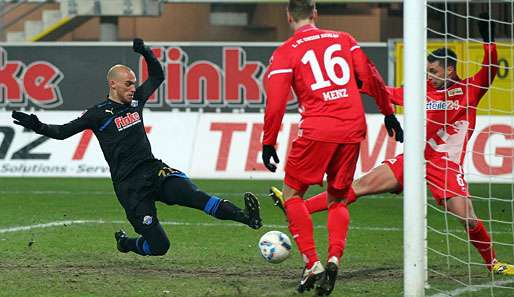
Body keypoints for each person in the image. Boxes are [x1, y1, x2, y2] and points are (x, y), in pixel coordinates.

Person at [269, 13, 514, 275]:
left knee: (467, 217)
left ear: (450, 69)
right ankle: (296, 207)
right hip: (413, 160)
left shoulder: (469, 90)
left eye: (434, 71)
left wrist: (489, 42)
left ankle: (493, 263)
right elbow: (384, 91)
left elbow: (488, 72)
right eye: (427, 71)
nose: (429, 76)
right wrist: (353, 82)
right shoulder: (420, 91)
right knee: (358, 187)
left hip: (445, 166)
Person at [11, 38, 262, 257]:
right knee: (160, 246)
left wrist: (146, 53)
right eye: (128, 84)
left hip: (154, 171)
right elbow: (62, 132)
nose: (133, 88)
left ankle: (246, 218)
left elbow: (158, 76)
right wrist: (38, 124)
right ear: (113, 85)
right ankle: (126, 244)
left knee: (197, 196)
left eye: (134, 84)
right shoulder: (97, 114)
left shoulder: (136, 102)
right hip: (130, 188)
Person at [261, 1, 404, 295]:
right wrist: (388, 112)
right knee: (338, 197)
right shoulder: (344, 39)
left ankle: (312, 261)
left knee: (292, 195)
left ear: (288, 16)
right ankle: (334, 257)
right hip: (353, 126)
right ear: (315, 13)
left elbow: (275, 101)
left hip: (318, 128)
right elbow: (370, 75)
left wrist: (268, 140)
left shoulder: (286, 51)